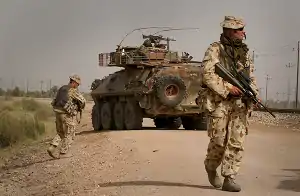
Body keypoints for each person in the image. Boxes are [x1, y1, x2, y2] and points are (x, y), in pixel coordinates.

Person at [198, 16, 259, 192]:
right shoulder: (215, 49)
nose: (243, 33)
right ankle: (211, 166)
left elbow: (250, 76)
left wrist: (253, 94)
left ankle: (229, 177)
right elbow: (207, 75)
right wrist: (227, 88)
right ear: (230, 31)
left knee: (236, 141)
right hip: (220, 102)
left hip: (240, 104)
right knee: (218, 140)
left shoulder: (245, 53)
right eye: (239, 29)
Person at [47, 74, 86, 159]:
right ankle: (64, 153)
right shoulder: (72, 90)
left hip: (57, 113)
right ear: (74, 82)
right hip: (65, 115)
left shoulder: (61, 88)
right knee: (70, 132)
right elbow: (83, 101)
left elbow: (54, 101)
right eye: (77, 84)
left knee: (61, 132)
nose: (77, 86)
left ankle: (52, 148)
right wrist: (79, 106)